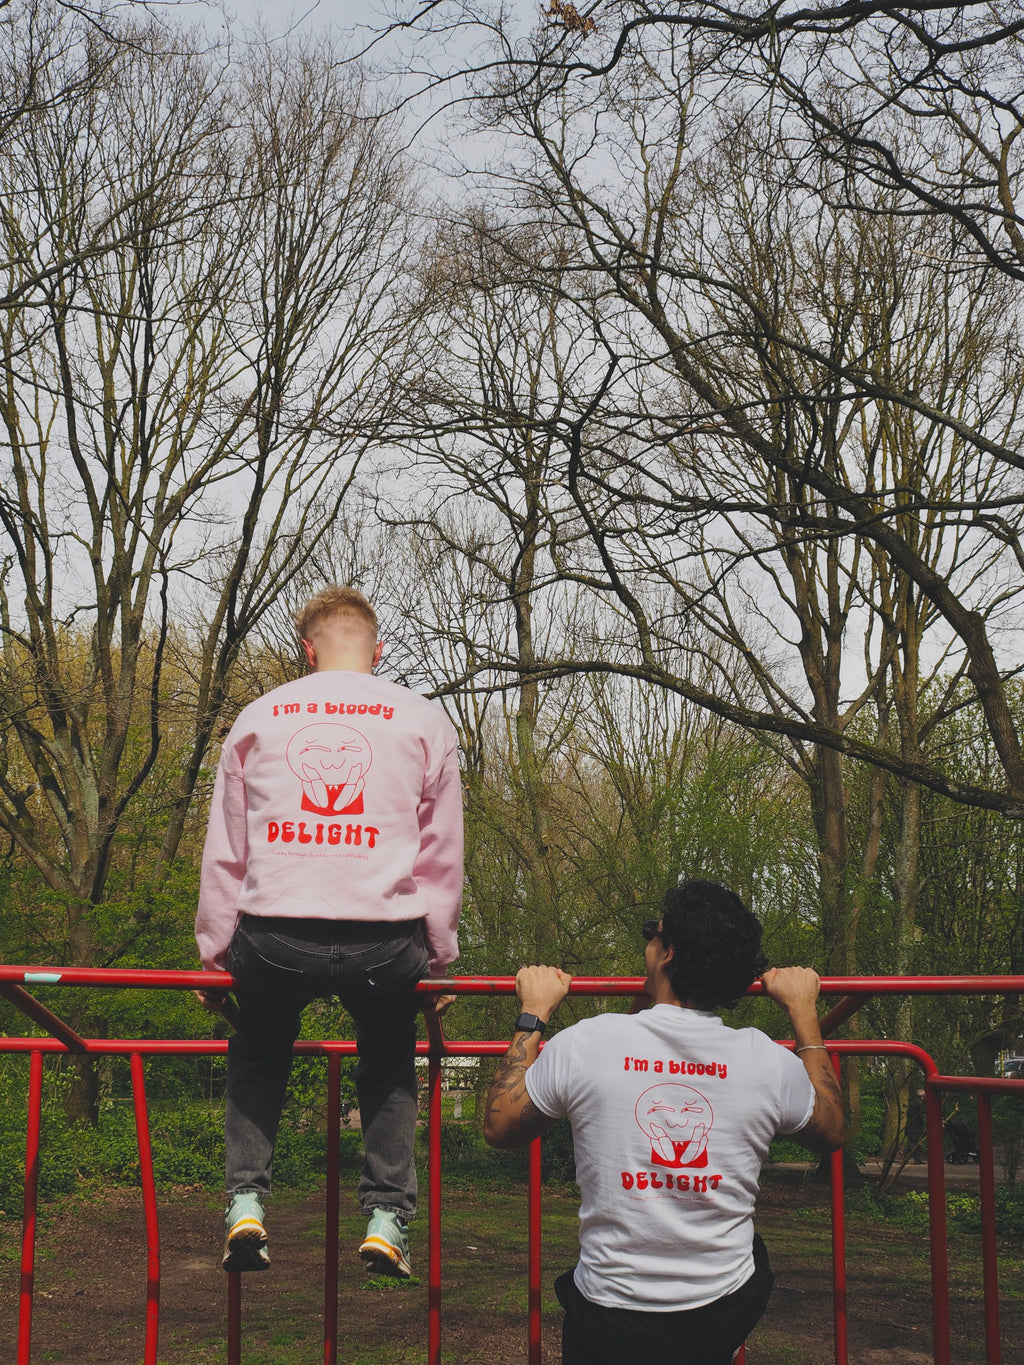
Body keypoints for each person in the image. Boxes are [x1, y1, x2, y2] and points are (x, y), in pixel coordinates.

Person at [195, 586, 463, 1278]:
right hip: (384, 941)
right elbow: (440, 856)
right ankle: (386, 1216)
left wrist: (213, 957)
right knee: (388, 1057)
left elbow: (227, 853)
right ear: (379, 651)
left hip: (274, 937)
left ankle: (246, 1200)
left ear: (307, 651)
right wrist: (438, 963)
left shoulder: (258, 716)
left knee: (259, 1050)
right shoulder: (423, 719)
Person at [483, 879, 844, 1365]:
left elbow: (500, 1125)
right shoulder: (766, 1060)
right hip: (720, 1310)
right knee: (748, 1261)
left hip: (609, 1316)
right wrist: (804, 1012)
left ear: (668, 952)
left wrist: (534, 1010)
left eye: (652, 933)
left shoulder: (589, 1042)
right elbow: (831, 1128)